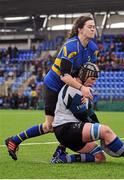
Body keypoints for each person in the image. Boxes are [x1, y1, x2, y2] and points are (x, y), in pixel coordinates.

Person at [5, 16, 99, 160]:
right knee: (50, 126)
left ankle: (60, 150)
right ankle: (15, 140)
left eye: (94, 26)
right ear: (80, 29)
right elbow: (64, 76)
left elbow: (89, 71)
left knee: (77, 122)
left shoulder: (92, 48)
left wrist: (86, 87)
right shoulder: (71, 46)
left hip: (71, 88)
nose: (93, 29)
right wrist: (82, 89)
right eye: (90, 26)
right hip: (55, 86)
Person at [51, 62, 124, 166]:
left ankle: (62, 158)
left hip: (71, 132)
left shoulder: (84, 89)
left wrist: (98, 126)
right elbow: (82, 116)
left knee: (99, 157)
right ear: (83, 75)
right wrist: (102, 133)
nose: (94, 82)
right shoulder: (72, 89)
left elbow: (90, 113)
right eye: (92, 79)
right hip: (66, 129)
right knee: (105, 130)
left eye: (95, 79)